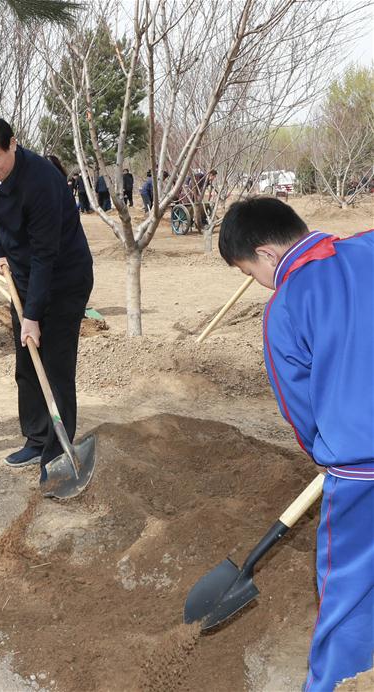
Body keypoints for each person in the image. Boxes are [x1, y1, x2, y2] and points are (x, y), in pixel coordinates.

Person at [218, 197, 373, 692]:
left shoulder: (285, 307)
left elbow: (299, 409)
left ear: (266, 254)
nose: (261, 283)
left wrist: (327, 455)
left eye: (251, 272)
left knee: (349, 595)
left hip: (361, 472)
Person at [0, 116, 93, 475]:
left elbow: (45, 255)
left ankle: (57, 452)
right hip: (24, 277)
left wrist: (32, 316)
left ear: (13, 144)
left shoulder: (42, 182)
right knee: (26, 363)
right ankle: (36, 439)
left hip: (63, 279)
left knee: (55, 365)